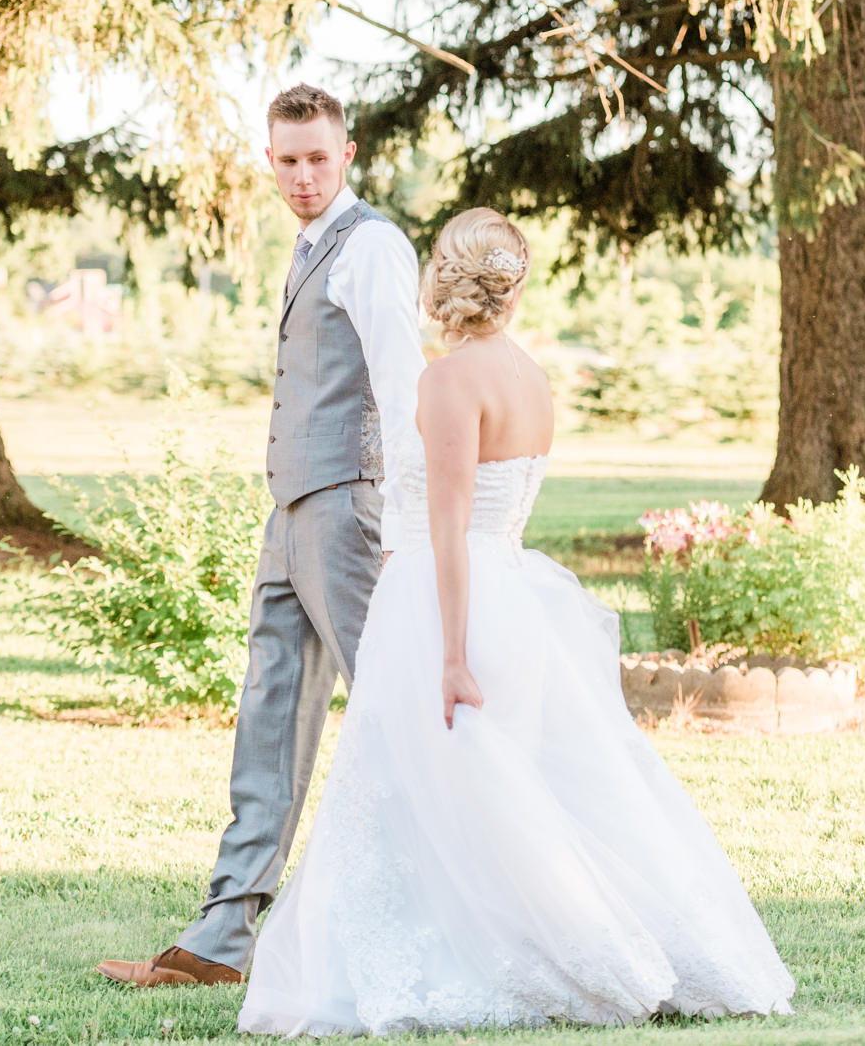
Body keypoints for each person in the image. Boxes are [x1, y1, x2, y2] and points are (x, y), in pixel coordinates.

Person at [237, 208, 795, 1035]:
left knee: (439, 797)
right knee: (504, 798)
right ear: (511, 287)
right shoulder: (531, 377)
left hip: (452, 608)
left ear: (445, 283)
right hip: (514, 596)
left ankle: (541, 959)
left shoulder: (450, 382)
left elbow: (451, 528)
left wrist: (451, 656)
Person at [98, 84, 425, 990]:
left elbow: (403, 389)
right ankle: (221, 939)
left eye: (319, 157)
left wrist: (401, 520)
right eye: (287, 160)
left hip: (349, 512)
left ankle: (440, 908)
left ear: (348, 154)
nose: (304, 175)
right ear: (270, 160)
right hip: (290, 512)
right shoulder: (307, 245)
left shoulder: (373, 248)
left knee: (391, 711)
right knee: (270, 711)